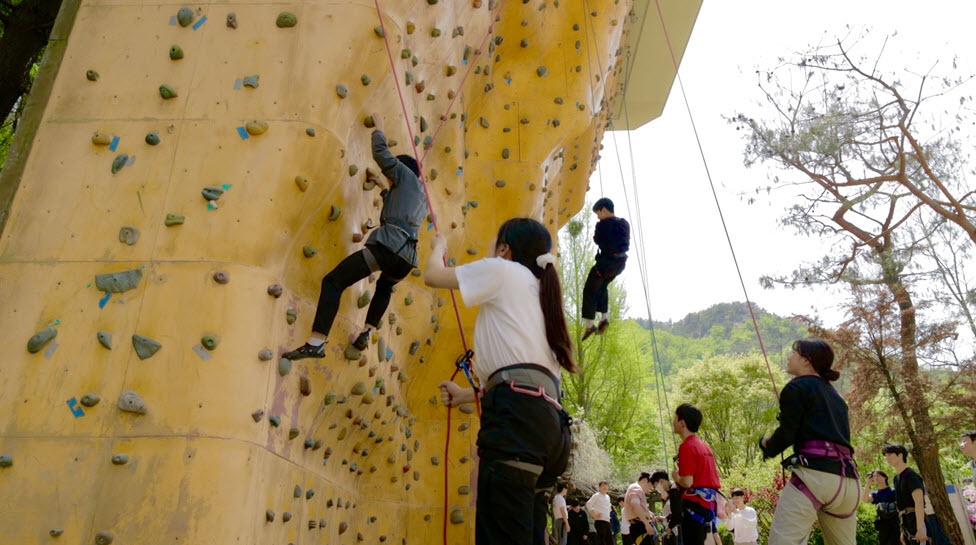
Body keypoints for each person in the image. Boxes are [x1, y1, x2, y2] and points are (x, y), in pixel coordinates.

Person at [426, 218, 577, 545]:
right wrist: (467, 395)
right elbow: (528, 374)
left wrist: (437, 247)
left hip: (517, 424)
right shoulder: (542, 294)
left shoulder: (503, 270)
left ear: (504, 249)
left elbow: (432, 275)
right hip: (551, 430)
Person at [283, 112, 427, 360]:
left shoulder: (404, 174)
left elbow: (382, 155)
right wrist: (383, 189)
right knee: (384, 286)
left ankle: (316, 342)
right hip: (406, 260)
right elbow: (398, 210)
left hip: (388, 248)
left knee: (333, 281)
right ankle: (367, 332)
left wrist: (379, 128)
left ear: (402, 171)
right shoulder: (421, 198)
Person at [671, 403, 722, 545]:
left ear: (682, 423)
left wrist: (675, 477)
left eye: (675, 418)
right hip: (707, 506)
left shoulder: (687, 446)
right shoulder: (704, 446)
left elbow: (687, 482)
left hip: (694, 506)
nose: (673, 422)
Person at [883, 443, 951, 545]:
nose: (887, 458)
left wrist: (920, 529)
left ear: (900, 455)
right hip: (906, 523)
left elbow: (919, 503)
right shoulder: (896, 478)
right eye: (886, 455)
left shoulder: (911, 475)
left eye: (890, 455)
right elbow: (901, 507)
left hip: (917, 522)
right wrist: (903, 531)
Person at [581, 198, 629, 340]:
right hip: (620, 263)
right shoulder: (624, 223)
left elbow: (597, 240)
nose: (597, 216)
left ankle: (590, 325)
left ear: (604, 209)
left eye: (598, 213)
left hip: (606, 263)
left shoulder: (602, 225)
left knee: (590, 289)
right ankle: (604, 318)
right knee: (602, 286)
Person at [861, 469, 899, 545]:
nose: (876, 478)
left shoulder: (892, 491)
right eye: (874, 476)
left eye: (878, 475)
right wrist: (868, 485)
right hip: (882, 525)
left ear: (885, 477)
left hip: (895, 525)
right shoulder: (875, 493)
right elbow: (865, 499)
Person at [622, 472, 658, 545]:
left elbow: (638, 507)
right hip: (640, 526)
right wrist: (646, 524)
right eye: (649, 486)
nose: (649, 490)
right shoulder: (636, 488)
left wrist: (649, 514)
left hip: (639, 525)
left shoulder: (634, 488)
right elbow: (635, 506)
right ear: (645, 480)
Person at [650, 470, 681, 545]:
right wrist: (666, 518)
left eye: (655, 485)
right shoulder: (673, 489)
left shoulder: (674, 490)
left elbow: (677, 513)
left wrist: (669, 527)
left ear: (661, 481)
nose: (656, 488)